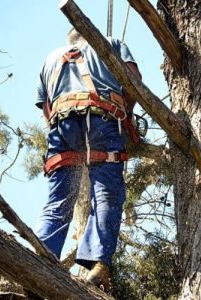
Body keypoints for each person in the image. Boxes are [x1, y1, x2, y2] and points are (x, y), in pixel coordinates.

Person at [34, 28, 141, 291]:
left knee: (58, 201)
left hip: (62, 125)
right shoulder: (112, 44)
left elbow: (46, 109)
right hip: (102, 120)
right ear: (89, 36)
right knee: (106, 194)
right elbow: (134, 82)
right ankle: (98, 265)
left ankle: (38, 260)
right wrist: (125, 115)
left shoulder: (51, 59)